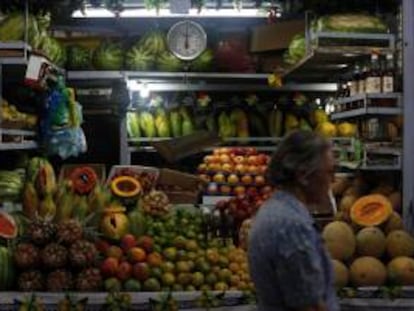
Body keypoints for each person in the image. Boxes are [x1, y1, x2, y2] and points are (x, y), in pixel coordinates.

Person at [248, 130, 339, 311]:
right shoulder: (292, 226)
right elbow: (309, 305)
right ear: (304, 175)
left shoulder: (273, 210)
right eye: (329, 172)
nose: (334, 180)